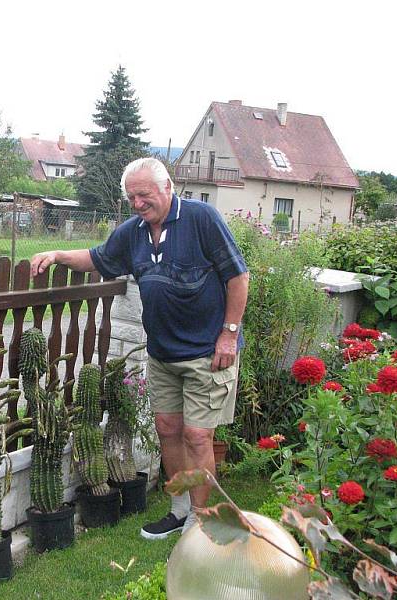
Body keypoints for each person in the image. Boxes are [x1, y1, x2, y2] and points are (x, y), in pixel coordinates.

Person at [30, 157, 249, 539]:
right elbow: (99, 259)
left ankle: (205, 522)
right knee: (167, 429)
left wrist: (229, 334)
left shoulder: (202, 219)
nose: (136, 203)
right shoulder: (134, 232)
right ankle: (180, 510)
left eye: (143, 195)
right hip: (163, 353)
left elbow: (238, 276)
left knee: (198, 436)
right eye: (131, 197)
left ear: (167, 187)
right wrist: (59, 256)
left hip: (207, 352)